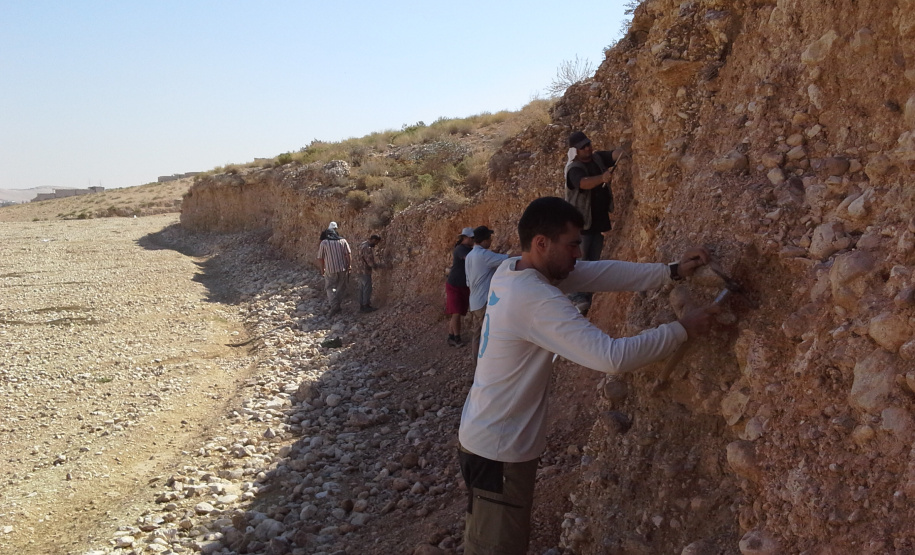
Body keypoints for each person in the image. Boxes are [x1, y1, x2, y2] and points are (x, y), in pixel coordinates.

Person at [457, 196, 717, 555]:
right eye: (573, 244)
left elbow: (599, 272)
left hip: (482, 436)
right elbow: (611, 357)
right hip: (499, 452)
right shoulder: (534, 297)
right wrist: (681, 329)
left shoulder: (513, 269)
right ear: (541, 243)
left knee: (486, 538)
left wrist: (669, 271)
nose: (578, 253)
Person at [565, 131, 621, 313]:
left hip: (596, 221)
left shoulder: (597, 158)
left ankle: (587, 295)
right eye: (583, 147)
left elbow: (612, 156)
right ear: (575, 151)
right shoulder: (574, 168)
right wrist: (601, 178)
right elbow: (582, 183)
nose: (588, 148)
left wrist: (625, 149)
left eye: (588, 144)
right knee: (580, 261)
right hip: (581, 224)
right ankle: (577, 297)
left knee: (593, 259)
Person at [464, 225, 509, 360]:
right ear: (483, 240)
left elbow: (467, 281)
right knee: (489, 336)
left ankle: (477, 368)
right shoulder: (483, 255)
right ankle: (489, 368)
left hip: (474, 302)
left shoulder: (470, 255)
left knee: (477, 336)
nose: (490, 241)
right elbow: (507, 258)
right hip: (484, 302)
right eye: (489, 238)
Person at [446, 227, 475, 347]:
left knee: (457, 312)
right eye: (472, 238)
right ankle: (457, 338)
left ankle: (451, 336)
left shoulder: (468, 249)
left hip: (462, 285)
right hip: (455, 285)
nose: (474, 240)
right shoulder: (461, 249)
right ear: (465, 238)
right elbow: (469, 259)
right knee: (456, 312)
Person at [316, 221, 351, 317]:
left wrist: (322, 269)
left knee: (330, 287)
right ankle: (337, 305)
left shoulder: (324, 243)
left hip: (330, 269)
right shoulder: (343, 241)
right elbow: (348, 254)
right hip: (342, 268)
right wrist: (349, 265)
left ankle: (334, 305)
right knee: (341, 286)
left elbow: (320, 258)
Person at [355, 234, 383, 313]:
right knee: (367, 288)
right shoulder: (367, 247)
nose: (376, 244)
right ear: (374, 240)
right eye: (376, 242)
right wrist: (376, 266)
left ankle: (362, 306)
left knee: (361, 289)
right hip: (365, 271)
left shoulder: (362, 244)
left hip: (359, 270)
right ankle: (366, 306)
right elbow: (369, 261)